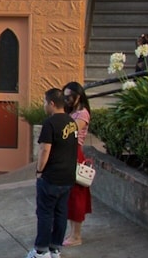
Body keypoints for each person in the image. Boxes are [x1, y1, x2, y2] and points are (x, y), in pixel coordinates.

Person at [28, 89, 78, 258]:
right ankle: (55, 248)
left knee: (45, 213)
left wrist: (40, 170)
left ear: (51, 103)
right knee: (61, 213)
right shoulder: (71, 122)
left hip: (51, 177)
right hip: (67, 177)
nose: (43, 106)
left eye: (44, 102)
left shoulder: (50, 124)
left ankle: (41, 251)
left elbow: (44, 150)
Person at [62, 83, 93, 247]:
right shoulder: (70, 112)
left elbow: (70, 130)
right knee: (69, 195)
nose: (66, 100)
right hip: (67, 153)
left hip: (75, 153)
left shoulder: (82, 114)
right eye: (64, 97)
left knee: (77, 194)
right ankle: (72, 232)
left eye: (69, 97)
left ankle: (77, 235)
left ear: (78, 97)